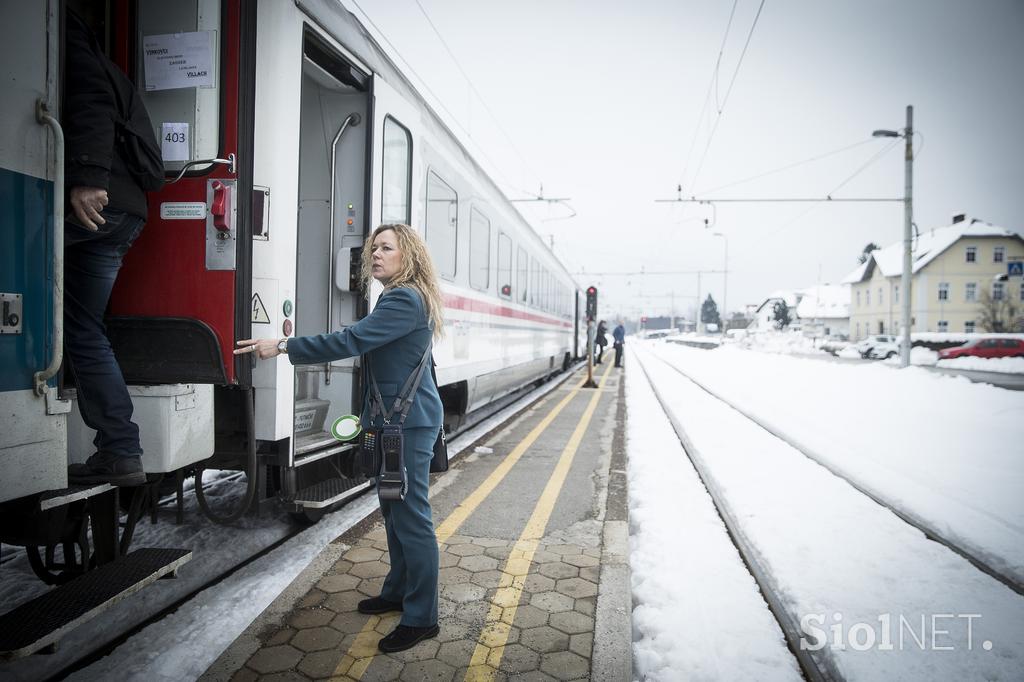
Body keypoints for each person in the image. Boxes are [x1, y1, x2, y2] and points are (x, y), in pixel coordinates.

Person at [235, 224, 444, 654]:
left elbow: (350, 340)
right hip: (393, 423)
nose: (376, 255)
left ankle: (422, 616)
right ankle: (398, 591)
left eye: (386, 248)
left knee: (411, 516)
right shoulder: (399, 298)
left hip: (407, 424)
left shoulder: (404, 298)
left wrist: (284, 346)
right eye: (374, 249)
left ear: (410, 256)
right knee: (393, 510)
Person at [65, 7, 160, 487]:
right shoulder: (111, 65)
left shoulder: (68, 37)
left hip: (97, 201)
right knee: (84, 329)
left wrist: (87, 176)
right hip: (123, 212)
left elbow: (89, 101)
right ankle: (121, 451)